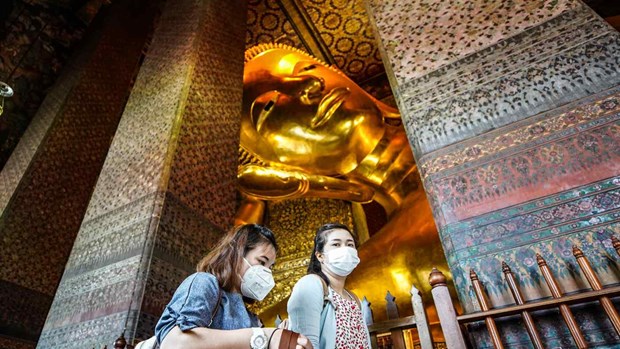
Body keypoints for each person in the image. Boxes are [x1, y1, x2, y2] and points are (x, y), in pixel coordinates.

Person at [155, 224, 312, 349]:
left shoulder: (251, 318)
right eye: (262, 262)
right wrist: (262, 336)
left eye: (270, 267)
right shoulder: (205, 283)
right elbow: (174, 343)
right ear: (237, 253)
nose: (266, 272)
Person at [287, 223, 371, 349]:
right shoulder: (311, 285)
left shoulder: (354, 299)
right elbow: (306, 343)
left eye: (350, 245)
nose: (345, 249)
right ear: (320, 256)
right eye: (336, 244)